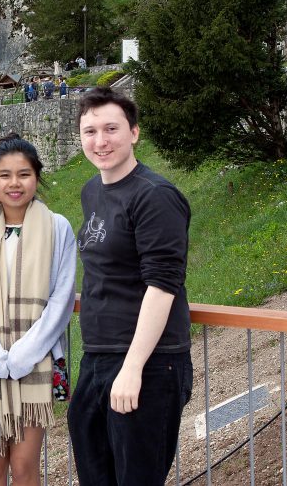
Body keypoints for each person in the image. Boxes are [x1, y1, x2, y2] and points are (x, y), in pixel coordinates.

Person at [68, 88, 193, 486]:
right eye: (90, 131)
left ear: (134, 133)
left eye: (111, 129)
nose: (100, 141)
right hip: (98, 358)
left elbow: (162, 285)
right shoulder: (92, 191)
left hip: (149, 363)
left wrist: (133, 367)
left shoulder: (154, 196)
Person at [0, 134, 76, 486]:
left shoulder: (57, 228)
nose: (14, 183)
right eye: (4, 175)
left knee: (24, 465)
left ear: (37, 177)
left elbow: (62, 298)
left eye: (23, 174)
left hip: (36, 360)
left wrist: (24, 352)